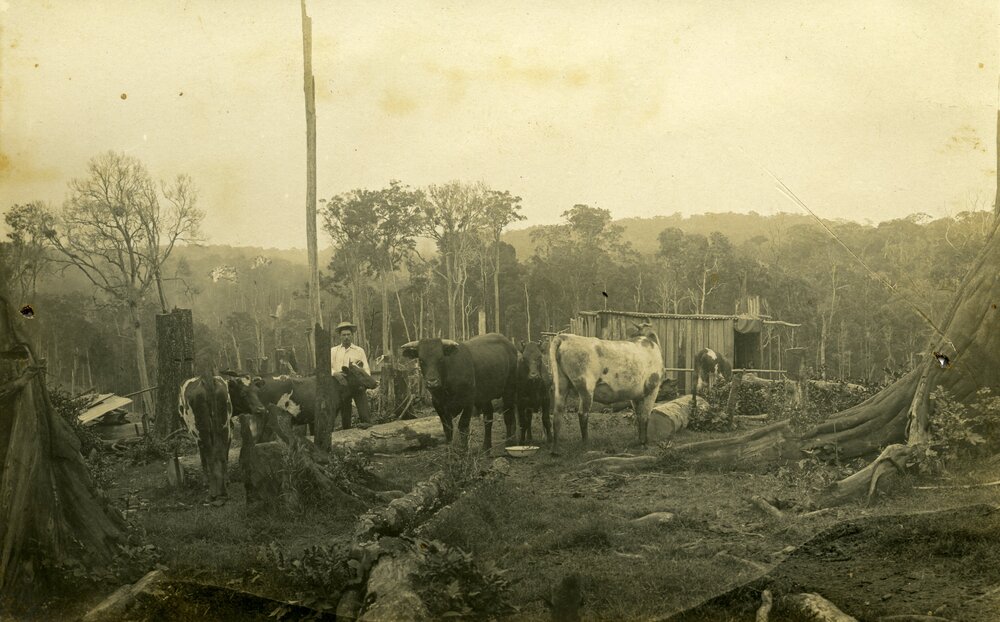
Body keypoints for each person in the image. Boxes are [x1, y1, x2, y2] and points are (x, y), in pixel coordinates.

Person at [330, 321, 371, 428]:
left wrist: (365, 383)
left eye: (348, 334)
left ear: (352, 335)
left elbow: (365, 368)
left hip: (357, 384)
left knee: (364, 412)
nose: (346, 337)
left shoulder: (359, 351)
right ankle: (346, 431)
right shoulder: (333, 351)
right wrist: (335, 373)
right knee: (345, 414)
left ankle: (367, 426)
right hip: (341, 384)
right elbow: (327, 368)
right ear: (340, 336)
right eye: (344, 335)